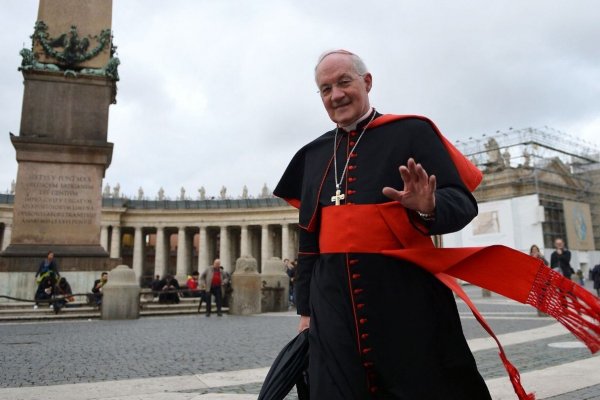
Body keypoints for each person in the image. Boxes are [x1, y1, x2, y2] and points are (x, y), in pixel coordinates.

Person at [273, 50, 490, 398]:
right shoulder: (312, 155)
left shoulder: (412, 132)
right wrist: (306, 312)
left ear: (367, 82)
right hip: (333, 312)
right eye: (326, 89)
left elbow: (463, 203)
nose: (336, 94)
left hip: (405, 301)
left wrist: (428, 207)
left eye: (344, 82)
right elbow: (309, 240)